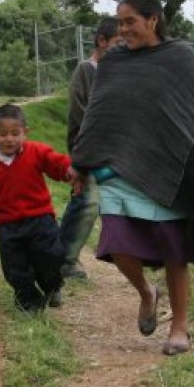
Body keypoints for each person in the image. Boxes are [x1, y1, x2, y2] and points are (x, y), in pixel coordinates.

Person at [71, 0, 194, 356]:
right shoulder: (112, 63)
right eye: (120, 22)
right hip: (118, 169)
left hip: (170, 170)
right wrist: (80, 163)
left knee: (175, 253)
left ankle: (179, 328)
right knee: (115, 243)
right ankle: (145, 290)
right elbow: (98, 115)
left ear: (153, 20)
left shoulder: (181, 58)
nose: (123, 30)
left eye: (131, 22)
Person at [0, 103, 75, 313]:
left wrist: (70, 171)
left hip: (41, 220)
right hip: (9, 227)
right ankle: (29, 301)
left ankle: (52, 287)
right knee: (15, 268)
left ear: (25, 133)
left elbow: (56, 163)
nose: (9, 139)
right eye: (3, 134)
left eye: (15, 133)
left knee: (50, 258)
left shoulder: (36, 151)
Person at [60, 16, 122, 280]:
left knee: (103, 204)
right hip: (89, 151)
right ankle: (63, 259)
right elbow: (79, 115)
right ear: (102, 41)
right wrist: (82, 156)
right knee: (86, 203)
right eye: (118, 42)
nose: (123, 48)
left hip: (115, 153)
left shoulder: (121, 72)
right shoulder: (87, 71)